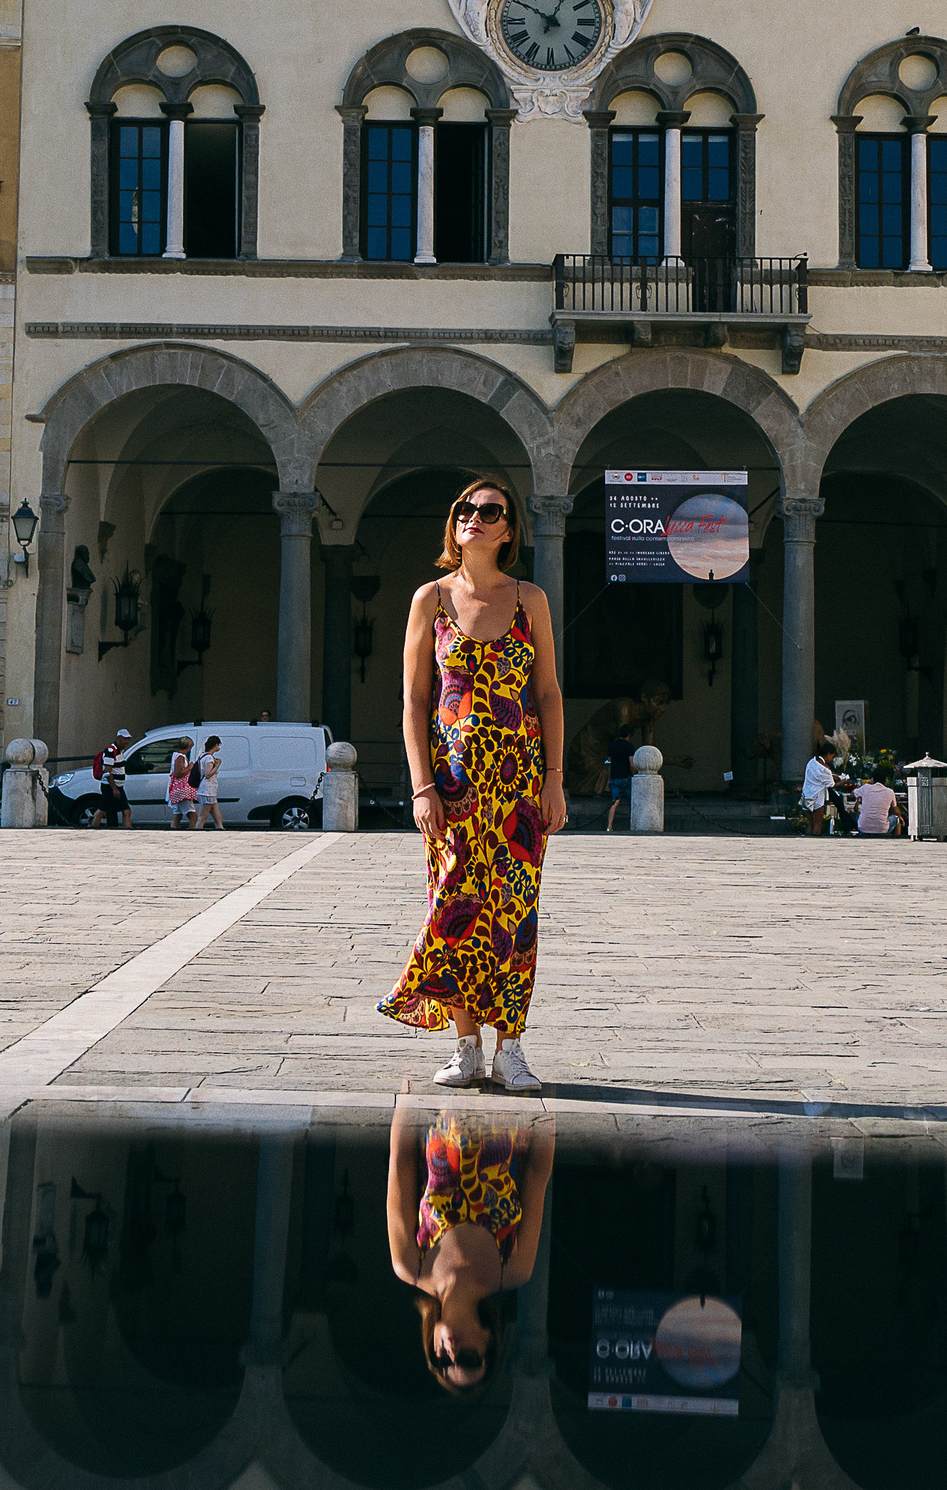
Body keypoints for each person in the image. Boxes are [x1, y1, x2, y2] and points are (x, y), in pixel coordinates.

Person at [379, 478, 566, 1093]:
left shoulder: (529, 599)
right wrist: (421, 786)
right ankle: (465, 1045)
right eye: (464, 509)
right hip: (453, 788)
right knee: (456, 909)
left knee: (515, 912)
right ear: (453, 524)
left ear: (509, 530)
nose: (474, 518)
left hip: (518, 788)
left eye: (490, 512)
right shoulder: (430, 599)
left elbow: (547, 693)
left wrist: (556, 781)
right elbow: (412, 698)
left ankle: (511, 1047)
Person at [389, 1085, 553, 1396]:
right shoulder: (513, 1269)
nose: (450, 1352)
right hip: (508, 1107)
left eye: (441, 1362)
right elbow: (536, 1173)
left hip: (444, 1100)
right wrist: (550, 1104)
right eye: (466, 1359)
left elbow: (402, 1164)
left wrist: (407, 1088)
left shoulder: (410, 1265)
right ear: (488, 1340)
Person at [90, 727, 133, 828]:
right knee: (102, 810)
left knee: (126, 810)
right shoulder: (110, 751)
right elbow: (107, 771)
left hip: (118, 786)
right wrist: (114, 789)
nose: (127, 741)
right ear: (118, 738)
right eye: (125, 739)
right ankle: (93, 828)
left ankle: (127, 830)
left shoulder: (120, 751)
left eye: (128, 739)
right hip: (110, 787)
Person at [797, 742, 837, 836]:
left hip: (807, 795)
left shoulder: (812, 762)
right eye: (832, 756)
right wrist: (842, 781)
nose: (832, 759)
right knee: (817, 824)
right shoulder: (824, 769)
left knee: (811, 824)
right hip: (817, 798)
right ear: (828, 754)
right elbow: (832, 785)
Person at [603, 730, 637, 832]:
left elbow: (609, 763)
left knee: (614, 802)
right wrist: (635, 774)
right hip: (626, 777)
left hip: (614, 777)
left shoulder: (612, 745)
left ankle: (609, 826)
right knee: (632, 802)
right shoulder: (629, 746)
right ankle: (635, 825)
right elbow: (632, 763)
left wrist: (609, 779)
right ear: (628, 734)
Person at [195, 734, 225, 831]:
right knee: (202, 817)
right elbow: (208, 774)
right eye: (218, 745)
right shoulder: (208, 758)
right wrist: (218, 765)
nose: (219, 747)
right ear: (215, 745)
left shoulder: (203, 756)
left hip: (210, 791)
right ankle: (196, 833)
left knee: (218, 818)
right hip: (207, 791)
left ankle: (220, 830)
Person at [166, 740, 198, 829]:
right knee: (193, 816)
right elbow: (178, 773)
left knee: (178, 814)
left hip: (176, 790)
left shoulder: (176, 756)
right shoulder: (181, 757)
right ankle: (193, 831)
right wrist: (190, 767)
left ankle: (173, 829)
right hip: (182, 790)